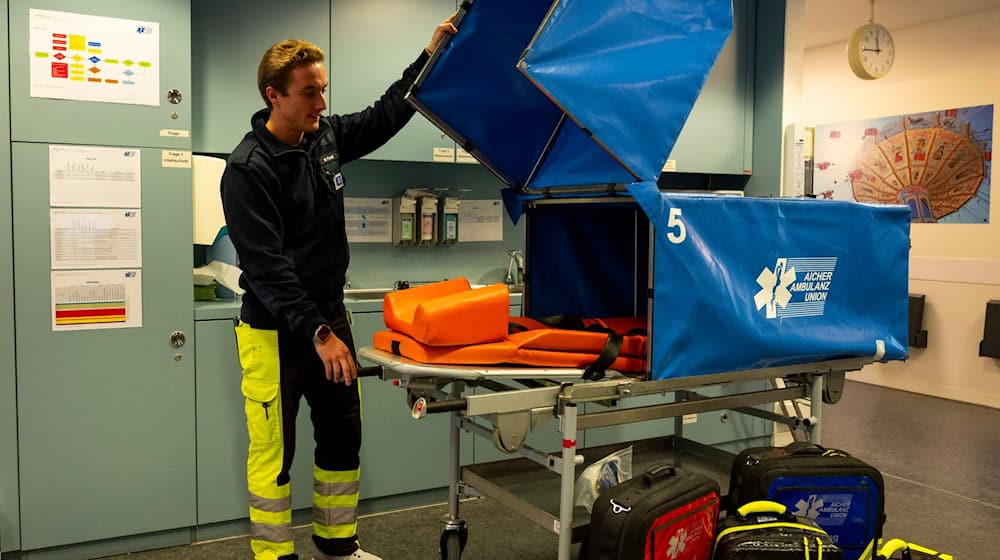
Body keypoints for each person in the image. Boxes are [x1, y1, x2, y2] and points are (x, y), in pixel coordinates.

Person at [221, 15, 457, 560]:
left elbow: (386, 114)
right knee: (274, 452)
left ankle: (337, 547)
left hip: (329, 320)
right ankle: (275, 556)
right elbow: (267, 270)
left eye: (324, 90)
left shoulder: (322, 138)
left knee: (341, 436)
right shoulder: (248, 169)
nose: (321, 103)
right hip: (275, 331)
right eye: (310, 93)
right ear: (273, 95)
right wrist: (320, 332)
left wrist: (430, 55)